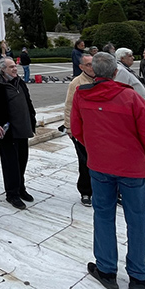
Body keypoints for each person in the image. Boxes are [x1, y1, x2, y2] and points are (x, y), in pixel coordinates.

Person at [71, 52, 145, 289]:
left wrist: (95, 148)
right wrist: (141, 152)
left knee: (102, 215)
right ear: (114, 72)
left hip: (99, 165)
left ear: (94, 72)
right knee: (137, 219)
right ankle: (139, 275)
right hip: (130, 166)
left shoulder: (82, 96)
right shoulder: (129, 96)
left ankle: (107, 268)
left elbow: (77, 130)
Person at [0, 57, 36, 210]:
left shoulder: (19, 81)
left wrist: (32, 119)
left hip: (23, 127)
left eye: (15, 66)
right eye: (11, 67)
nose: (15, 69)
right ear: (3, 69)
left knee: (22, 160)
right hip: (7, 130)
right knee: (10, 163)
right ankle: (12, 194)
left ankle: (21, 188)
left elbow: (28, 101)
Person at [64, 53, 94, 206]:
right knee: (84, 161)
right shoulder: (77, 83)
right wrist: (69, 127)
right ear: (81, 67)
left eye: (93, 63)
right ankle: (86, 191)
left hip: (98, 129)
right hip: (82, 130)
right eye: (88, 64)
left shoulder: (102, 78)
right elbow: (69, 106)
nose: (92, 67)